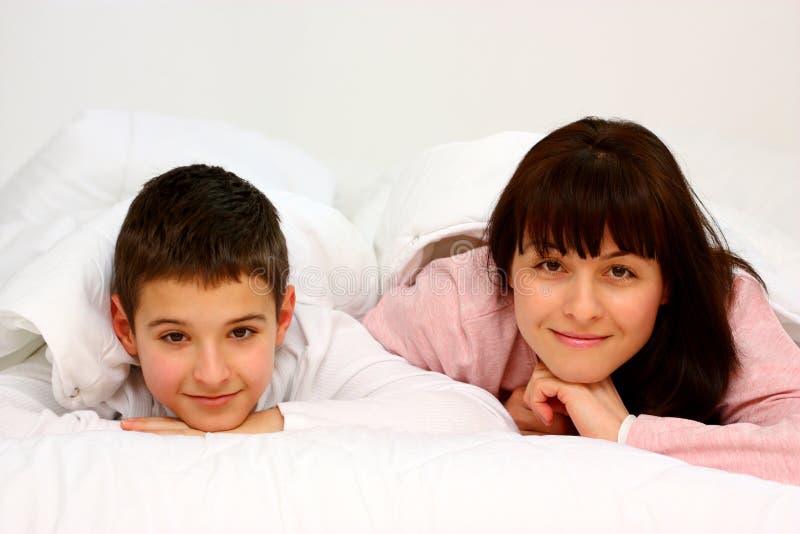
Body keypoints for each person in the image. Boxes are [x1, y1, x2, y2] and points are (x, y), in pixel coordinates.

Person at [363, 117, 800, 485]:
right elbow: (351, 374)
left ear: (668, 282)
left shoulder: (726, 308)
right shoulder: (460, 305)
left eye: (620, 271)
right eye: (552, 265)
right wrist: (493, 414)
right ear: (510, 267)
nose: (582, 309)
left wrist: (625, 433)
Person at [0, 164, 515, 436]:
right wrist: (130, 435)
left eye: (241, 332)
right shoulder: (102, 367)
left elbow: (475, 417)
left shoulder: (316, 344)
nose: (212, 373)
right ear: (126, 328)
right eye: (175, 337)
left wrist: (262, 425)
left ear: (282, 318)